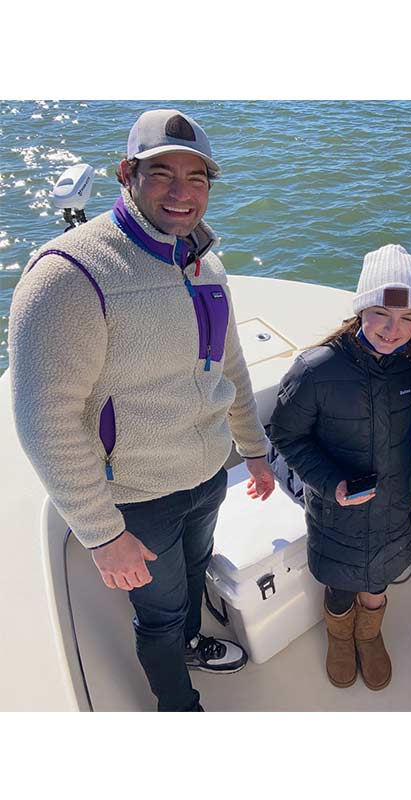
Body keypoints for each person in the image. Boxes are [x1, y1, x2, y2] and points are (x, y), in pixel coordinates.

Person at [9, 109, 275, 712]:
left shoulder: (206, 264)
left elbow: (228, 366)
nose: (182, 193)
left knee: (195, 568)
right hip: (135, 495)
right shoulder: (67, 276)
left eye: (197, 177)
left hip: (208, 474)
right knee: (158, 611)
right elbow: (43, 421)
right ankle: (177, 706)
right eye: (162, 173)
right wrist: (103, 535)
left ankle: (188, 641)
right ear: (127, 173)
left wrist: (253, 450)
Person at [268, 244, 411, 691]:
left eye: (408, 319)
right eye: (380, 313)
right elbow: (286, 436)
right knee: (339, 584)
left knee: (380, 580)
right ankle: (341, 636)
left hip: (397, 509)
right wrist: (330, 483)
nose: (393, 330)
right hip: (336, 512)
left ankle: (369, 635)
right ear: (360, 311)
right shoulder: (315, 370)